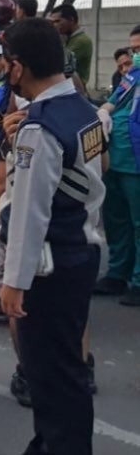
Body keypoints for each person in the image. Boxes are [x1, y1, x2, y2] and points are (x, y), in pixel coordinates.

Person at [0, 18, 105, 455]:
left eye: (6, 64)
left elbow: (29, 212)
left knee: (49, 374)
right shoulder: (86, 110)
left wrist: (13, 281)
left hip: (49, 263)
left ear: (18, 67)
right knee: (67, 371)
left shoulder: (39, 129)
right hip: (80, 250)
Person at [94, 44, 140, 306]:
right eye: (133, 48)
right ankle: (117, 273)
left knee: (138, 223)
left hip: (136, 162)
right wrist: (102, 113)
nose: (135, 56)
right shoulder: (129, 79)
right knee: (116, 219)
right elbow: (109, 106)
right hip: (116, 159)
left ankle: (138, 280)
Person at [49, 4, 93, 86]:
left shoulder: (81, 41)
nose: (54, 25)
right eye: (52, 22)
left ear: (71, 20)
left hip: (75, 89)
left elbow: (60, 63)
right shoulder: (68, 38)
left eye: (58, 21)